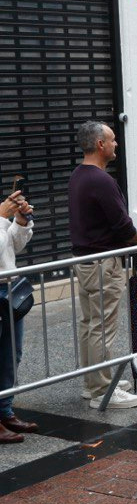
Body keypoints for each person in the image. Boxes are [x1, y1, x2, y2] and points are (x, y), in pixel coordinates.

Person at [68, 121, 137, 409]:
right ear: (100, 144)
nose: (116, 144)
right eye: (112, 140)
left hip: (87, 260)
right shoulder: (100, 180)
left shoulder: (79, 175)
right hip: (102, 261)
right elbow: (121, 222)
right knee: (101, 325)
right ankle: (102, 389)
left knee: (90, 323)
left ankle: (94, 382)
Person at [0, 189, 35, 443]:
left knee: (12, 354)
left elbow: (12, 246)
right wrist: (2, 217)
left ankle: (4, 411)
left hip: (9, 288)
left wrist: (20, 222)